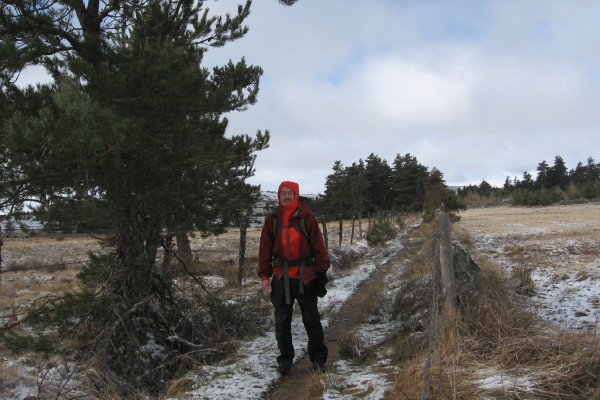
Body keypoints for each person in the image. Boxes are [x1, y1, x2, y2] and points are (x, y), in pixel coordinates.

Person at [258, 181, 330, 375]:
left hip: (306, 277)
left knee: (312, 320)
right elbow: (264, 249)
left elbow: (319, 246)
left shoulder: (307, 218)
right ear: (278, 196)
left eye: (290, 193)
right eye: (283, 193)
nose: (286, 196)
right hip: (281, 278)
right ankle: (285, 360)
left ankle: (318, 359)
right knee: (282, 322)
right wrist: (264, 276)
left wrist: (321, 273)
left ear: (296, 195)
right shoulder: (272, 220)